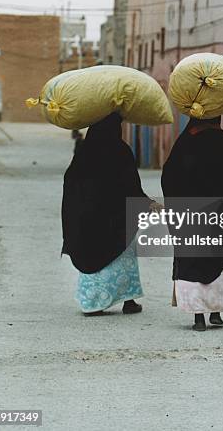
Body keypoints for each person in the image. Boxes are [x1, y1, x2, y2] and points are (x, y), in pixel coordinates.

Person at [62, 112, 152, 315]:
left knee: (92, 255)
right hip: (117, 219)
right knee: (123, 258)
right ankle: (129, 300)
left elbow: (71, 181)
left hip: (89, 220)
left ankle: (93, 303)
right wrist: (145, 202)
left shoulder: (84, 151)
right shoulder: (121, 150)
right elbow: (131, 185)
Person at [161, 116, 223, 331]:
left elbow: (169, 176)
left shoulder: (185, 141)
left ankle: (199, 317)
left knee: (191, 262)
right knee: (216, 260)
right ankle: (216, 312)